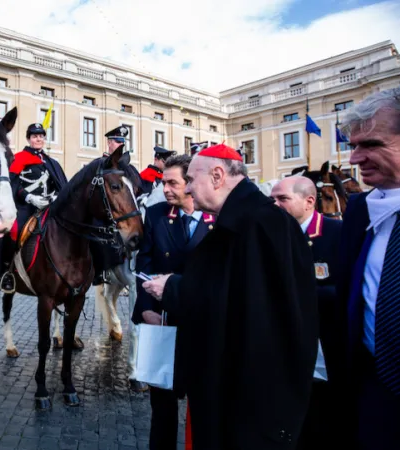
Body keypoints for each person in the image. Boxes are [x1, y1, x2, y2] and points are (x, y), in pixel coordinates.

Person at [142, 144, 318, 450]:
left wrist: (172, 288)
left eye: (192, 180)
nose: (190, 190)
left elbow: (237, 302)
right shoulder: (247, 219)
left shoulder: (254, 224)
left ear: (217, 175)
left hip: (248, 394)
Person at [133, 154, 214, 450]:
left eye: (172, 183)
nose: (165, 188)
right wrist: (145, 309)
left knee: (203, 404)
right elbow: (143, 264)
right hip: (161, 321)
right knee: (162, 408)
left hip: (201, 326)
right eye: (163, 182)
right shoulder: (155, 215)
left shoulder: (217, 218)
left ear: (190, 183)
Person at [337, 87, 400, 450]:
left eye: (371, 144)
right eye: (353, 145)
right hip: (371, 391)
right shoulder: (360, 210)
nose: (356, 158)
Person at [271, 176, 343, 450]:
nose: (275, 205)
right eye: (273, 200)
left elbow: (348, 289)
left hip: (324, 351)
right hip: (281, 352)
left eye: (283, 199)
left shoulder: (336, 233)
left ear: (309, 201)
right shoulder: (271, 233)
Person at [0, 123, 67, 293]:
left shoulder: (50, 161)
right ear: (29, 139)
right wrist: (28, 197)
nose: (38, 139)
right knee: (13, 230)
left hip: (49, 206)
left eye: (41, 136)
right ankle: (7, 271)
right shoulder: (19, 158)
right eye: (35, 136)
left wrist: (57, 196)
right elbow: (12, 184)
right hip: (25, 206)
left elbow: (60, 185)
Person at [91, 125, 142, 285]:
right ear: (109, 143)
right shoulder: (100, 164)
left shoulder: (129, 167)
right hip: (104, 215)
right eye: (116, 142)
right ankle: (99, 269)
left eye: (122, 142)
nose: (119, 145)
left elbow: (137, 190)